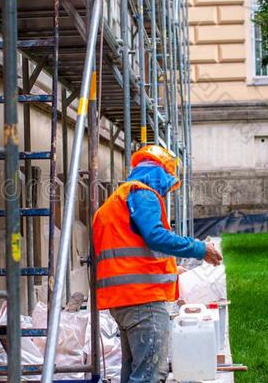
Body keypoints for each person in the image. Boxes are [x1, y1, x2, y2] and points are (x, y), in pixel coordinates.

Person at [93, 145, 222, 383]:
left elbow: (133, 252)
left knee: (134, 372)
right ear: (159, 174)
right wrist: (199, 248)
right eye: (166, 182)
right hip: (144, 301)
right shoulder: (143, 194)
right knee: (149, 375)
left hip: (124, 301)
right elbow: (156, 236)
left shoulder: (117, 200)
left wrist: (172, 269)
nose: (165, 191)